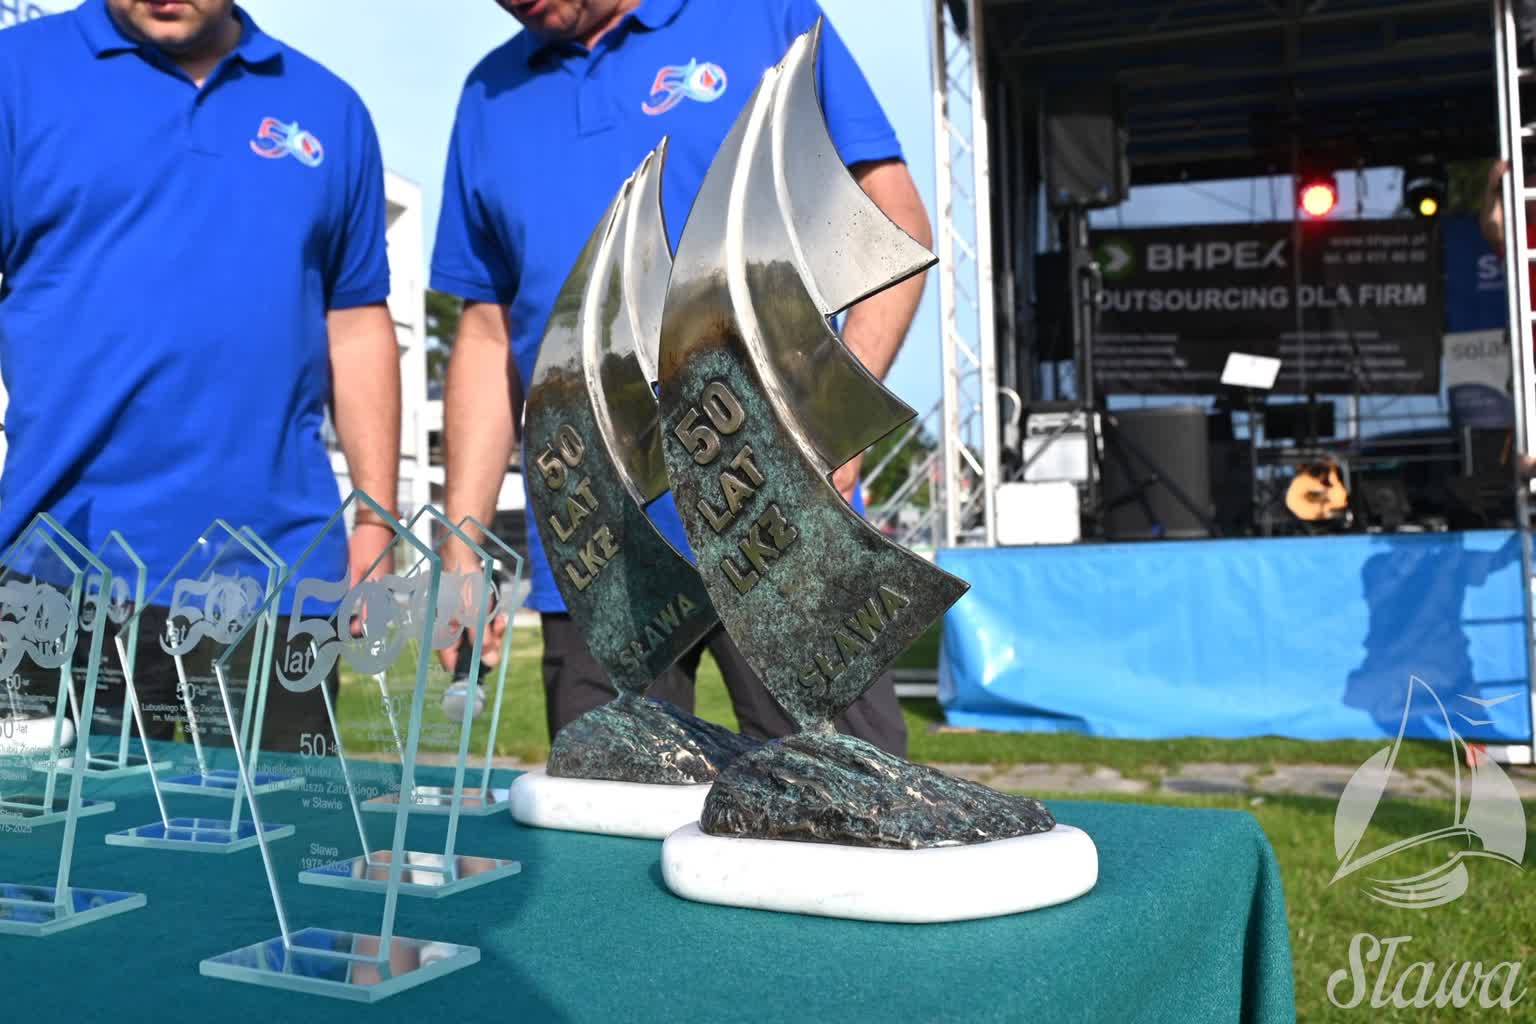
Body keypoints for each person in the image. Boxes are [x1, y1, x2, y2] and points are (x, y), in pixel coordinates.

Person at [433, 0, 930, 755]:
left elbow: (894, 216)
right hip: (598, 550)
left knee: (852, 806)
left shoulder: (765, 14)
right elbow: (487, 330)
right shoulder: (487, 96)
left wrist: (834, 424)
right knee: (608, 816)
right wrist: (461, 544)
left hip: (783, 520)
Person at [0, 0, 401, 750]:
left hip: (277, 578)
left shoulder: (329, 108)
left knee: (281, 824)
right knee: (52, 830)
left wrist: (377, 518)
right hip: (55, 574)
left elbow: (355, 323)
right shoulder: (15, 76)